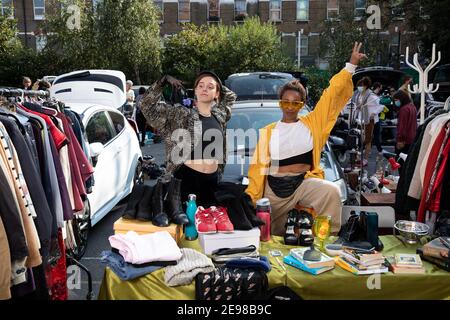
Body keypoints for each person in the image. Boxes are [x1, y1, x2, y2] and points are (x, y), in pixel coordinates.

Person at [245, 42, 367, 236]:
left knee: (331, 192)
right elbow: (256, 169)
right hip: (274, 190)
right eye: (286, 101)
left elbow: (331, 95)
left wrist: (350, 66)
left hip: (303, 184)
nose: (290, 106)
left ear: (302, 104)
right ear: (280, 103)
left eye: (296, 102)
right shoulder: (268, 132)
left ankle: (326, 240)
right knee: (268, 232)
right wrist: (251, 198)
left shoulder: (312, 124)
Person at [140, 71, 237, 211]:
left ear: (217, 94)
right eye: (200, 86)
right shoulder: (180, 115)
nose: (204, 89)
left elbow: (230, 96)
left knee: (207, 227)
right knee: (185, 227)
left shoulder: (220, 115)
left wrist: (214, 80)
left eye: (210, 87)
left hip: (212, 181)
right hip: (186, 180)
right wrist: (163, 81)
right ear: (195, 91)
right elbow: (147, 105)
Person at [352, 76, 384, 166]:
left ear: (366, 86)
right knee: (360, 139)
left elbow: (381, 106)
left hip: (370, 120)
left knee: (368, 140)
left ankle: (365, 159)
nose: (359, 87)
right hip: (361, 120)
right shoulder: (359, 95)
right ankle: (359, 157)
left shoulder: (371, 96)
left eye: (361, 86)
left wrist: (374, 113)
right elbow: (357, 107)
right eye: (358, 86)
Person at [393, 90, 417, 159]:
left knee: (400, 163)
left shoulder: (404, 109)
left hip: (404, 141)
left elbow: (402, 127)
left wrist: (400, 140)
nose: (396, 102)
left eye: (396, 100)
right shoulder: (413, 107)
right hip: (411, 139)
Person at [371, 82, 385, 155]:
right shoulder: (373, 96)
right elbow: (381, 106)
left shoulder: (374, 96)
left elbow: (381, 106)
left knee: (374, 135)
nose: (381, 88)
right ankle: (379, 150)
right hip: (372, 118)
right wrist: (375, 112)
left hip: (374, 118)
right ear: (378, 87)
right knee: (374, 135)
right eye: (381, 87)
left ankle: (379, 149)